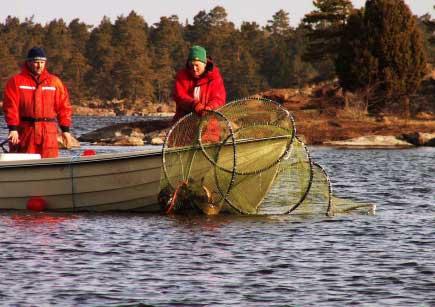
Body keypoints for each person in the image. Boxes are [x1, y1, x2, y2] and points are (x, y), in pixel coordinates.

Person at [3, 47, 72, 158]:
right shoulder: (16, 81)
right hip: (25, 132)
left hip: (48, 133)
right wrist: (13, 129)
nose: (39, 65)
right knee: (24, 164)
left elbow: (64, 107)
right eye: (36, 62)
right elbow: (11, 107)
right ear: (29, 62)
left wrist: (66, 130)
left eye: (42, 62)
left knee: (49, 165)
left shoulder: (55, 82)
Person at [172, 45, 226, 122]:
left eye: (197, 65)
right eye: (191, 65)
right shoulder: (182, 76)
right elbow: (179, 96)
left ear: (205, 64)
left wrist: (209, 108)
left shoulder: (215, 77)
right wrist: (194, 105)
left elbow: (219, 98)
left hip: (208, 123)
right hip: (184, 123)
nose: (194, 68)